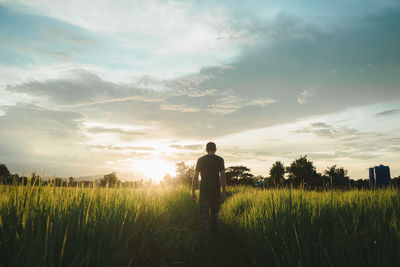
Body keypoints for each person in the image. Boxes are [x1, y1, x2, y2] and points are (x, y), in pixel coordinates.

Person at [192, 142, 226, 233]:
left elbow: (195, 176)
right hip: (216, 192)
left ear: (206, 150)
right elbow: (223, 176)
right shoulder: (220, 160)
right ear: (215, 149)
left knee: (204, 218)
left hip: (204, 192)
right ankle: (215, 239)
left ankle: (206, 239)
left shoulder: (200, 160)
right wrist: (224, 192)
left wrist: (193, 191)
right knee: (214, 216)